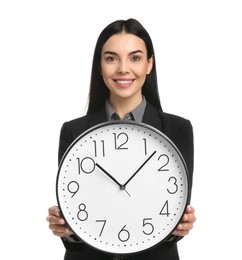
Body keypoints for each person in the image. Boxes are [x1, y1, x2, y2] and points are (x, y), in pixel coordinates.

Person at [46, 18, 196, 260]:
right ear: (100, 66)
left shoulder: (177, 129)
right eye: (111, 58)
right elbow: (76, 219)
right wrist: (66, 230)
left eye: (135, 58)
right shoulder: (74, 131)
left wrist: (180, 228)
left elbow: (174, 215)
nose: (123, 68)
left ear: (149, 64)